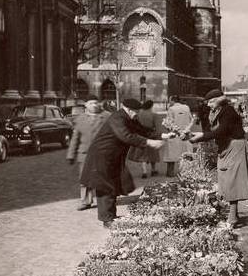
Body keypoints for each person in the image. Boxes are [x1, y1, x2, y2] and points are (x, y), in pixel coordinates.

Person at [80, 98, 172, 227]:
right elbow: (126, 136)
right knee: (106, 187)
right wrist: (149, 142)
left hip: (112, 157)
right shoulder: (117, 118)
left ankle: (111, 216)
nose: (136, 115)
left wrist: (163, 136)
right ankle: (107, 220)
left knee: (113, 185)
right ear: (128, 109)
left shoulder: (128, 117)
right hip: (102, 156)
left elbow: (142, 130)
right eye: (135, 112)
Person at [189, 89, 248, 227]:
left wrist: (201, 137)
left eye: (211, 102)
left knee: (233, 180)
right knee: (225, 177)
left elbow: (221, 131)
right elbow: (211, 132)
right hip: (226, 147)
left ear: (220, 100)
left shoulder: (228, 111)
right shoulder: (215, 112)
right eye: (208, 102)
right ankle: (234, 214)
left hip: (235, 146)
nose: (209, 105)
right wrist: (192, 134)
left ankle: (232, 217)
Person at [66, 96, 110, 210]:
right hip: (84, 154)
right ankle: (85, 201)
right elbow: (75, 138)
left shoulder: (107, 117)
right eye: (91, 103)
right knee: (85, 178)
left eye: (96, 103)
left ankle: (103, 200)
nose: (94, 105)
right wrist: (71, 155)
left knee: (102, 177)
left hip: (102, 153)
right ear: (85, 105)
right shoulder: (80, 119)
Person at [161, 96, 193, 176]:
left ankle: (170, 173)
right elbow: (190, 119)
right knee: (185, 153)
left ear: (172, 101)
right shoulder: (186, 107)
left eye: (169, 101)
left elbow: (169, 123)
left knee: (171, 155)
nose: (169, 102)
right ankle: (185, 172)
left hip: (175, 134)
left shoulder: (171, 109)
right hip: (185, 134)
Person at [127, 99, 160, 177]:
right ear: (151, 106)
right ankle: (153, 170)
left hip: (140, 135)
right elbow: (156, 126)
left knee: (143, 154)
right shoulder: (154, 115)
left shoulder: (138, 114)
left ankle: (144, 171)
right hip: (151, 134)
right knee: (152, 153)